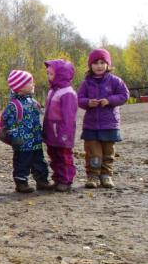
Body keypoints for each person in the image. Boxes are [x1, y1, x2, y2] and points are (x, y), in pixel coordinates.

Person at [77, 48, 129, 189]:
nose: (99, 66)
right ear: (90, 65)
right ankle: (93, 175)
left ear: (107, 64)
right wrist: (88, 102)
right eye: (95, 63)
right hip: (91, 125)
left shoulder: (115, 81)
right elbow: (79, 98)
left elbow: (124, 95)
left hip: (110, 124)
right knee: (93, 153)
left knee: (108, 152)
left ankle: (106, 175)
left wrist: (110, 100)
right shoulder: (86, 83)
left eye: (102, 62)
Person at [2, 70, 52, 193]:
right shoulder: (14, 105)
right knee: (21, 163)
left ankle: (42, 181)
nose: (33, 84)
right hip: (22, 142)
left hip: (35, 140)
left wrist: (42, 133)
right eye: (30, 83)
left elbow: (38, 119)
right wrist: (14, 136)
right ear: (19, 88)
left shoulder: (33, 102)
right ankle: (21, 183)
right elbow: (8, 122)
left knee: (40, 162)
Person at [43, 59, 78, 192]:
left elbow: (68, 117)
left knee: (64, 157)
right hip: (52, 130)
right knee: (54, 156)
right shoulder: (53, 90)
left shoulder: (67, 93)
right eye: (48, 74)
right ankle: (58, 178)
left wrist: (64, 135)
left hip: (62, 132)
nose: (49, 77)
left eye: (51, 74)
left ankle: (66, 180)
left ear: (61, 75)